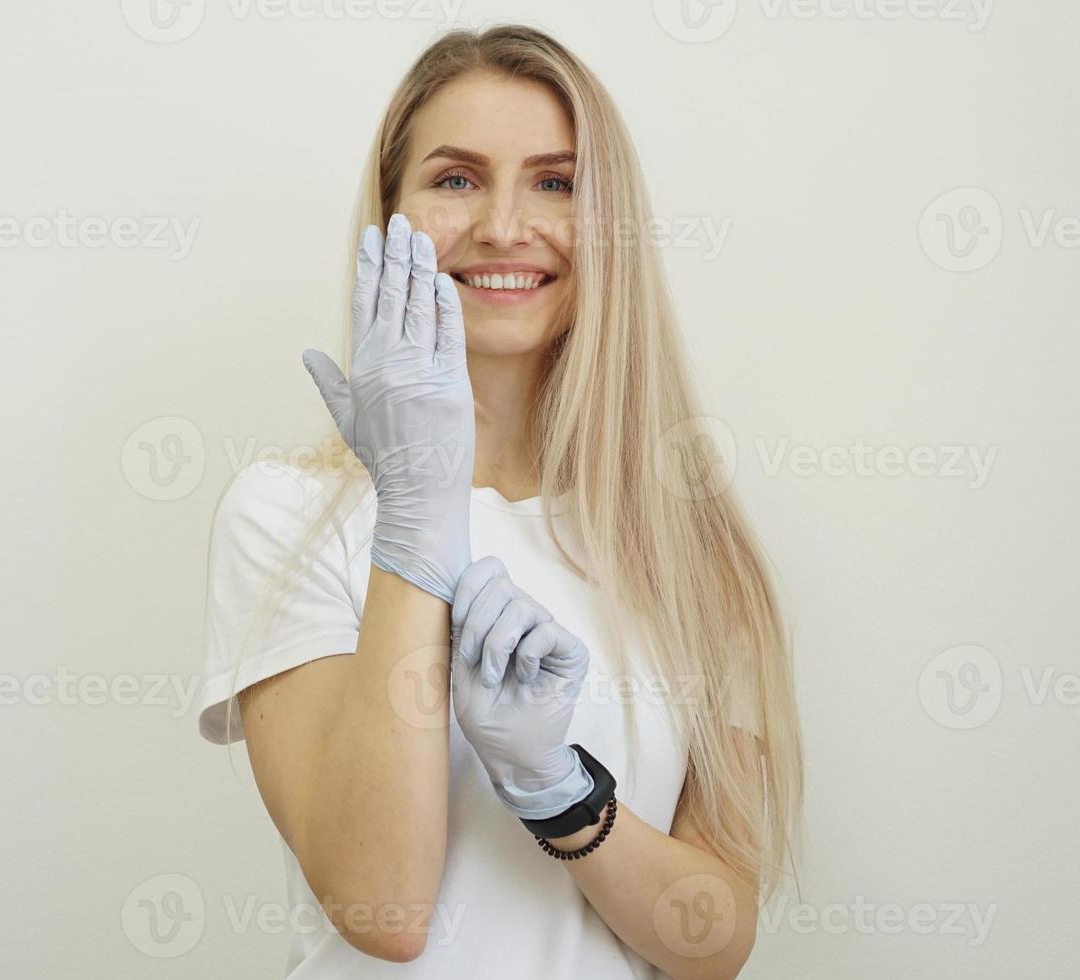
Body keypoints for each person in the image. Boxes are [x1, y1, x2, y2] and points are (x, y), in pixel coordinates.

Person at [195, 24, 803, 979]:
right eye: (456, 179)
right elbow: (382, 910)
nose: (506, 227)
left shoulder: (685, 545)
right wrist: (414, 518)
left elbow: (713, 940)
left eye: (556, 183)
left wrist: (555, 788)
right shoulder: (286, 515)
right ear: (389, 214)